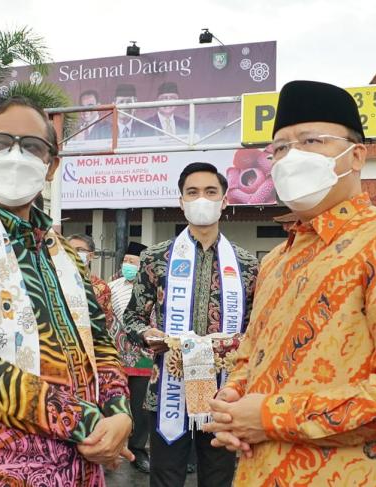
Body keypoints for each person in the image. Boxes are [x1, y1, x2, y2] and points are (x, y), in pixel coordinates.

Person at [203, 80, 376, 486]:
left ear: (355, 156)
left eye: (311, 140)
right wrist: (234, 401)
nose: (291, 157)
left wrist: (269, 416)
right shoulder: (276, 260)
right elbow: (251, 354)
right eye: (280, 148)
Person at [0, 96, 133, 485]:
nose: (15, 156)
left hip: (79, 469)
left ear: (51, 167)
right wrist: (85, 422)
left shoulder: (61, 251)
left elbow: (100, 342)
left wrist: (119, 414)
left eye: (32, 147)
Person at [124, 162, 259, 487]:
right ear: (181, 200)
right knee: (165, 479)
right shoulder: (156, 258)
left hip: (225, 391)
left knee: (219, 479)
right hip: (168, 388)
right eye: (193, 192)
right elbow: (131, 317)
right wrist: (147, 334)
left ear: (225, 200)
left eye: (211, 192)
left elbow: (258, 329)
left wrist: (239, 344)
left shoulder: (247, 264)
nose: (202, 199)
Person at [107, 241, 153, 474]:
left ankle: (138, 450)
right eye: (125, 261)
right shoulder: (111, 287)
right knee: (111, 401)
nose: (128, 265)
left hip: (144, 356)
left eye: (133, 262)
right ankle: (109, 450)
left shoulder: (152, 288)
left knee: (141, 406)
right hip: (115, 354)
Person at [68, 233, 114, 330]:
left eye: (80, 250)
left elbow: (106, 321)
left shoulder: (100, 287)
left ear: (91, 255)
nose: (74, 253)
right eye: (69, 249)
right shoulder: (56, 281)